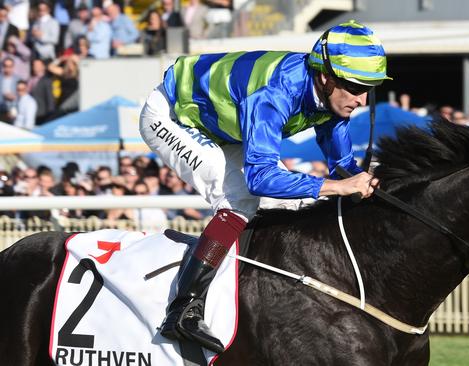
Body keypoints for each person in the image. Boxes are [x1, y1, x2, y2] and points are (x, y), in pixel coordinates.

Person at [139, 20, 388, 353]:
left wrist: (364, 179)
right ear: (326, 78)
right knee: (239, 198)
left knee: (293, 202)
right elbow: (261, 178)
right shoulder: (276, 92)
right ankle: (184, 309)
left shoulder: (330, 98)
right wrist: (338, 187)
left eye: (368, 89)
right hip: (171, 115)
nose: (361, 99)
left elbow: (343, 168)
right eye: (356, 87)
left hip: (223, 128)